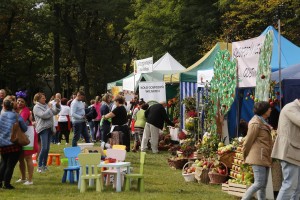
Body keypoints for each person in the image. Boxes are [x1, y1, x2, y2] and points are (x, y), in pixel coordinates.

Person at [242, 101, 273, 200]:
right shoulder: (255, 123)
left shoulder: (263, 122)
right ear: (264, 110)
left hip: (264, 157)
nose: (270, 110)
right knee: (259, 183)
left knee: (262, 185)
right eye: (268, 108)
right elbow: (248, 141)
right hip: (258, 157)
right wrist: (244, 155)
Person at [271, 99, 300, 200]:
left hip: (295, 152)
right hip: (289, 152)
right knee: (290, 185)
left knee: (297, 188)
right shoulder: (291, 108)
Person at [0, 97, 27, 189]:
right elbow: (25, 128)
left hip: (2, 143)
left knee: (3, 163)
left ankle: (0, 182)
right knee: (10, 165)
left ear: (4, 106)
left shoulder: (1, 115)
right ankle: (7, 184)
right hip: (14, 142)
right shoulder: (16, 115)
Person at [33, 92, 60, 173]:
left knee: (47, 148)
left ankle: (44, 165)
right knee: (44, 148)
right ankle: (39, 166)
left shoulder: (46, 106)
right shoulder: (36, 107)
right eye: (42, 98)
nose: (44, 99)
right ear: (38, 99)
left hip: (49, 128)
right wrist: (49, 108)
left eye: (45, 98)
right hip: (43, 129)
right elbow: (44, 115)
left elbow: (55, 112)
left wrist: (57, 105)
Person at [15, 91, 38, 185]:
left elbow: (21, 123)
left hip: (28, 135)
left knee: (28, 157)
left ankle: (30, 179)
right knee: (20, 158)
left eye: (22, 102)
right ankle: (23, 177)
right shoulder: (16, 110)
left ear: (25, 103)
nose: (20, 103)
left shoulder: (25, 111)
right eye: (18, 101)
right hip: (21, 136)